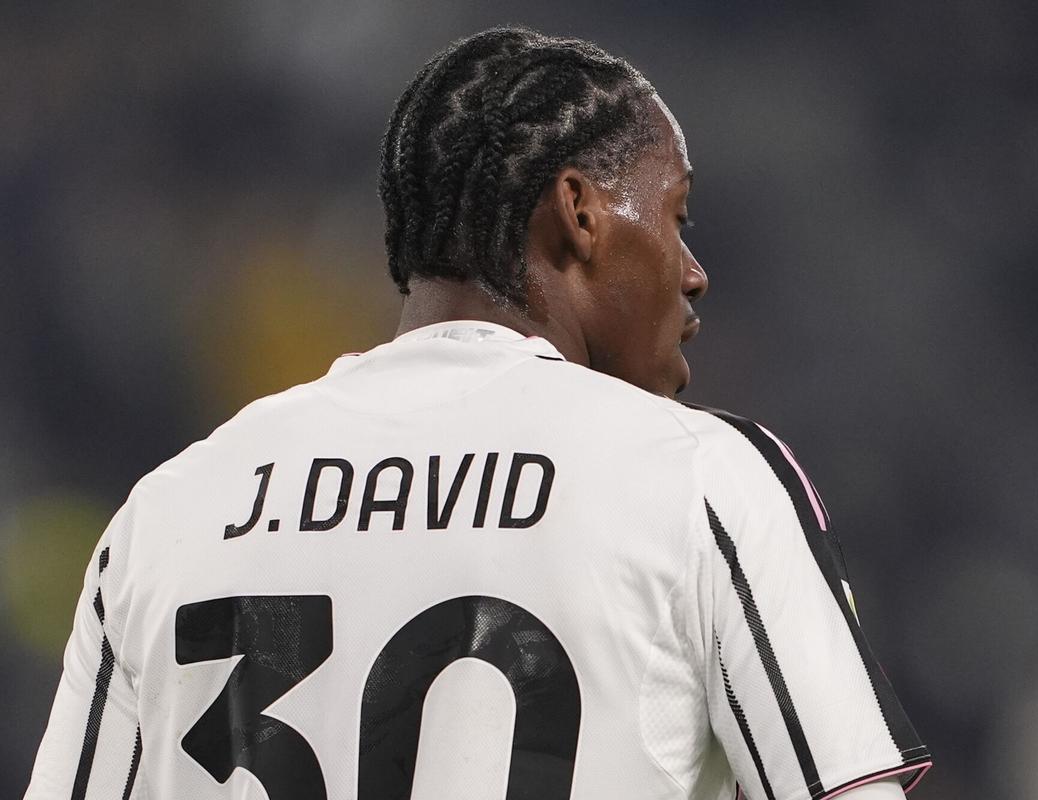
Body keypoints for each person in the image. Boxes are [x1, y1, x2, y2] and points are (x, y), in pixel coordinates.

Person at [25, 26, 930, 800]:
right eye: (675, 215)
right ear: (577, 211)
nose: (691, 270)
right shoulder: (701, 479)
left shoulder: (169, 513)